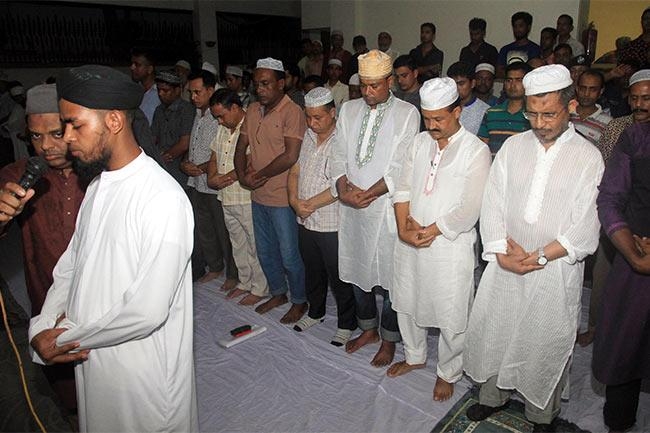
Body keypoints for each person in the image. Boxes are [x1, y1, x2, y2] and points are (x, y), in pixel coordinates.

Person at [28, 65, 197, 432]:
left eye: (75, 125)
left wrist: (65, 339)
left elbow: (147, 310)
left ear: (115, 121)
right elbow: (70, 267)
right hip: (93, 356)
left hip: (142, 374)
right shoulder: (97, 187)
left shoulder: (162, 197)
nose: (66, 138)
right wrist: (43, 323)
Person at [463, 65, 604, 432]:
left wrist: (540, 255)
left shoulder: (588, 157)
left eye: (549, 114)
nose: (539, 124)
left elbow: (585, 224)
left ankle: (541, 413)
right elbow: (493, 201)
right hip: (506, 264)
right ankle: (492, 397)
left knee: (544, 339)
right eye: (532, 114)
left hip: (554, 269)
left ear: (571, 106)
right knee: (498, 328)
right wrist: (500, 251)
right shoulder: (513, 147)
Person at [387, 78, 491, 402]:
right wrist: (403, 228)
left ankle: (448, 371)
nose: (431, 125)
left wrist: (429, 231)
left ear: (457, 112)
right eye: (426, 118)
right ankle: (414, 355)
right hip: (411, 237)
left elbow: (469, 209)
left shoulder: (475, 150)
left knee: (451, 310)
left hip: (449, 244)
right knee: (407, 298)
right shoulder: (418, 143)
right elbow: (402, 187)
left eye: (439, 119)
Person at [0, 83, 86, 422]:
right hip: (46, 300)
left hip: (97, 303)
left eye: (55, 134)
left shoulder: (101, 174)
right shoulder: (17, 176)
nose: (46, 146)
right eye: (36, 136)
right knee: (63, 393)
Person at [330, 49, 420, 366]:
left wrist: (368, 194)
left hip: (386, 209)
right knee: (356, 269)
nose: (367, 92)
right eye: (363, 85)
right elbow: (338, 154)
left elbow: (401, 165)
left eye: (374, 86)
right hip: (352, 209)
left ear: (389, 81)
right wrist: (343, 189)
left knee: (392, 276)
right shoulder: (348, 110)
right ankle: (368, 329)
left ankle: (389, 338)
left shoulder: (407, 113)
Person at [578, 69, 650, 347]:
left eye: (646, 98)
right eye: (635, 98)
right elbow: (603, 170)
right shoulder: (617, 127)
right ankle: (596, 328)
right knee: (604, 278)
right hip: (615, 217)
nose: (640, 104)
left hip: (644, 223)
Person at [234, 57, 308, 324]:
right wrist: (242, 176)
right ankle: (278, 293)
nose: (260, 89)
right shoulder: (253, 109)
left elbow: (290, 155)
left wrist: (259, 175)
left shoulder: (293, 111)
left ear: (281, 83)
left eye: (265, 84)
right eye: (257, 84)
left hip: (282, 196)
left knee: (289, 254)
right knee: (265, 251)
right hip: (258, 195)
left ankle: (299, 300)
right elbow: (240, 146)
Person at [592, 119, 650, 433]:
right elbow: (610, 198)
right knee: (625, 349)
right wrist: (634, 255)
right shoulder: (637, 137)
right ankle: (620, 422)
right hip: (635, 259)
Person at [287, 87, 356, 346]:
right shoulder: (307, 135)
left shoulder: (343, 140)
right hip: (305, 219)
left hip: (331, 222)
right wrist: (294, 201)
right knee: (312, 270)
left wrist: (308, 204)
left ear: (333, 113)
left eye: (318, 117)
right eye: (308, 117)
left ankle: (347, 323)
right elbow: (295, 171)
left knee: (339, 276)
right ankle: (316, 312)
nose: (312, 123)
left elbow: (342, 185)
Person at [206, 89, 269, 305]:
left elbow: (252, 160)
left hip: (245, 196)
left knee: (254, 244)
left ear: (234, 108)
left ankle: (260, 288)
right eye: (216, 117)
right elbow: (214, 155)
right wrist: (212, 178)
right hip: (226, 197)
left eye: (221, 116)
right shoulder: (222, 128)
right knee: (237, 243)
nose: (219, 121)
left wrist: (228, 177)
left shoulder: (251, 125)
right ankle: (244, 282)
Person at [183, 70, 238, 287]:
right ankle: (215, 267)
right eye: (191, 92)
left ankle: (233, 274)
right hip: (197, 182)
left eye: (198, 92)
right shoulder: (198, 113)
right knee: (205, 229)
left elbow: (224, 152)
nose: (193, 97)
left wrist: (203, 168)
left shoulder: (219, 116)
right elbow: (194, 146)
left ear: (210, 89)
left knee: (224, 232)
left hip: (215, 183)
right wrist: (185, 164)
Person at [151, 70, 195, 188]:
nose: (160, 94)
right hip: (161, 169)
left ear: (178, 90)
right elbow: (153, 138)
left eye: (165, 90)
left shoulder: (187, 110)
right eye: (159, 90)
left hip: (179, 170)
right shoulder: (159, 110)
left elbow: (184, 143)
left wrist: (162, 158)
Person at [478, 61, 532, 155]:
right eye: (509, 80)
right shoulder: (491, 113)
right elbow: (482, 146)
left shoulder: (534, 115)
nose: (513, 85)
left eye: (518, 80)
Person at [570, 68, 612, 146]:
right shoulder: (565, 114)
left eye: (593, 90)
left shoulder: (608, 123)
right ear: (577, 89)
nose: (586, 94)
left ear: (601, 91)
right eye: (583, 88)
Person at [447, 61, 490, 135]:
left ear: (473, 83)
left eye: (461, 84)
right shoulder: (443, 107)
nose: (456, 88)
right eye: (452, 84)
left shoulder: (485, 111)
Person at [497, 12, 541, 78]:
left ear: (528, 27)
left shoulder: (535, 49)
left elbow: (535, 72)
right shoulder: (505, 49)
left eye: (521, 26)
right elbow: (499, 72)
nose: (517, 29)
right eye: (515, 26)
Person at [130, 47, 159, 125]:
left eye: (137, 65)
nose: (132, 67)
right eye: (132, 64)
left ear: (149, 69)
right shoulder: (133, 90)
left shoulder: (161, 93)